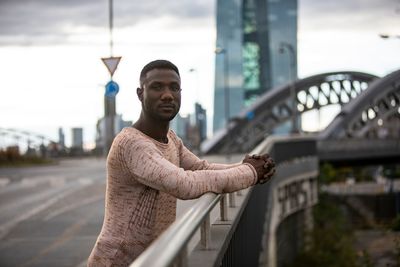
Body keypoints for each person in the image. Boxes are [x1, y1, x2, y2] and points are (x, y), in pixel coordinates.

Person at [87, 59, 275, 266]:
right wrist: (250, 173)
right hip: (117, 261)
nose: (167, 95)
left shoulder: (170, 139)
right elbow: (185, 184)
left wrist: (244, 166)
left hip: (154, 258)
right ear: (140, 94)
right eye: (157, 87)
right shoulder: (132, 144)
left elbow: (201, 168)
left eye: (174, 88)